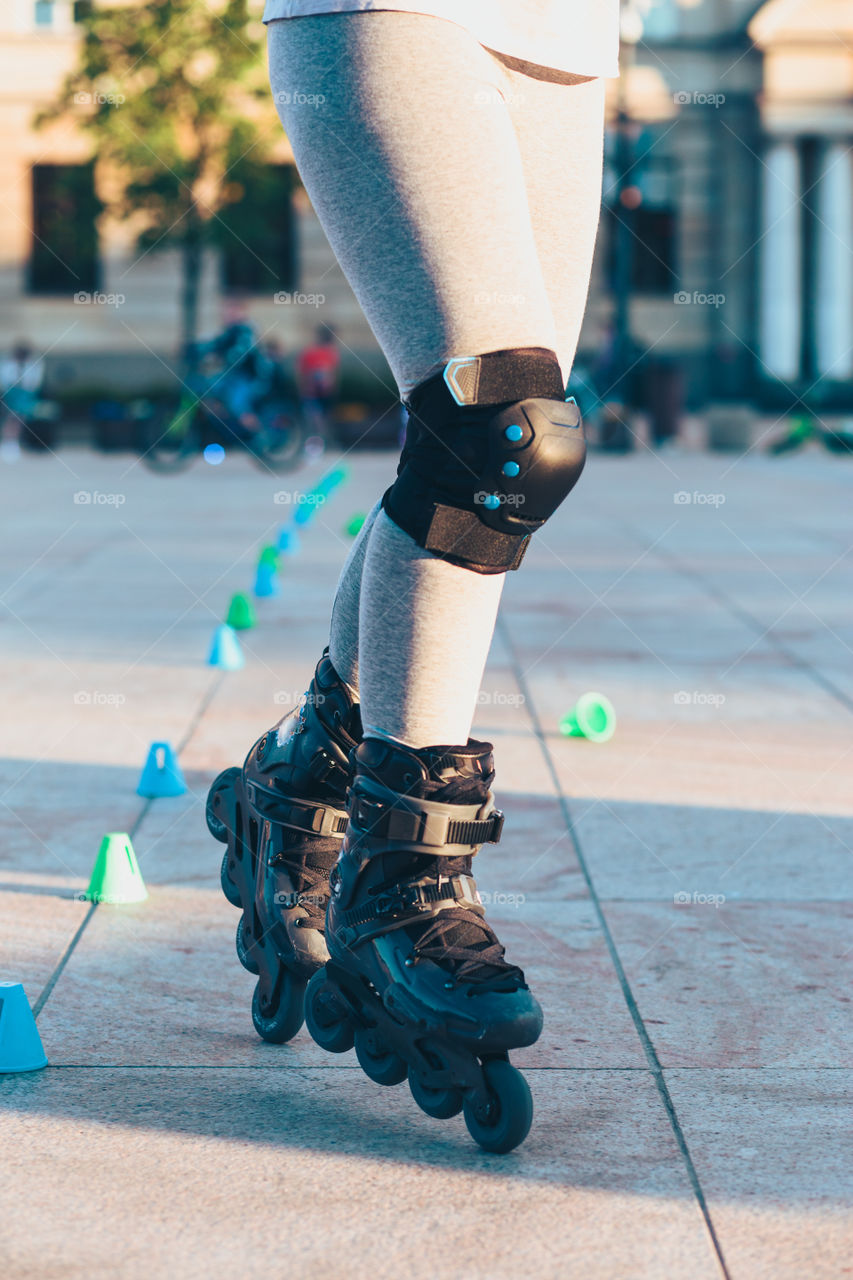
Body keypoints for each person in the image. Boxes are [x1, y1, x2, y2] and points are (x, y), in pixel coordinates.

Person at [208, 3, 619, 1152]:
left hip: (564, 35)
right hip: (392, 17)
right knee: (497, 431)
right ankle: (401, 877)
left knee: (491, 469)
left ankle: (301, 785)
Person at [195, 297, 272, 429]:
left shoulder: (246, 331)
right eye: (226, 312)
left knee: (237, 404)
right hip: (233, 375)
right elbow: (213, 344)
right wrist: (191, 349)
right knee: (207, 388)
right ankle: (224, 427)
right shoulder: (229, 332)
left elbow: (242, 351)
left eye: (232, 311)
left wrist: (228, 357)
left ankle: (259, 436)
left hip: (250, 377)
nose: (227, 315)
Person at [296, 324, 340, 436]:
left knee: (320, 417)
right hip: (313, 392)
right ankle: (319, 438)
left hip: (322, 392)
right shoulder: (314, 352)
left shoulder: (330, 352)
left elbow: (332, 373)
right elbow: (304, 372)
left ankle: (322, 439)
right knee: (317, 417)